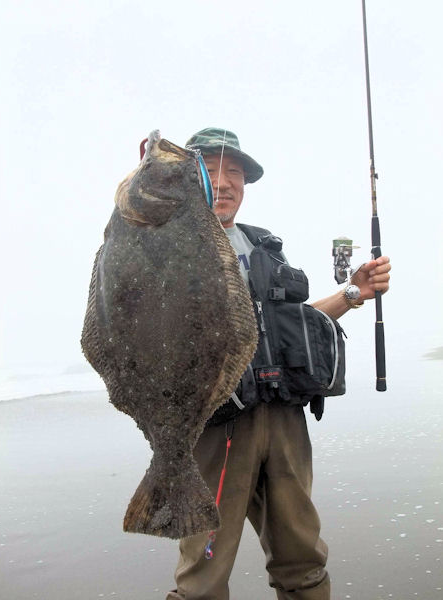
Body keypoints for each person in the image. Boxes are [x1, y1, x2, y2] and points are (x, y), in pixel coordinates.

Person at [166, 127, 391, 600]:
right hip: (215, 425)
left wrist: (354, 292)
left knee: (303, 559)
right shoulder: (167, 245)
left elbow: (287, 326)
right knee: (202, 577)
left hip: (283, 418)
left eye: (234, 172)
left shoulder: (263, 246)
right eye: (209, 170)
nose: (223, 182)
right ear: (186, 178)